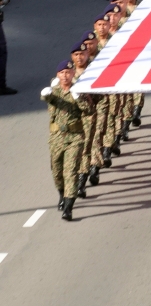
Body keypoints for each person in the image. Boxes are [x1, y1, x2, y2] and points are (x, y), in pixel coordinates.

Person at [42, 60, 85, 220]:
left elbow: (89, 110)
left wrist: (79, 98)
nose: (65, 75)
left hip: (75, 137)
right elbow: (47, 98)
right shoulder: (53, 92)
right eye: (62, 73)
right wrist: (46, 93)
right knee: (57, 171)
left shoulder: (79, 91)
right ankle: (62, 192)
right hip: (56, 138)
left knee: (71, 171)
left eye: (68, 72)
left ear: (73, 73)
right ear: (58, 75)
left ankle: (68, 206)